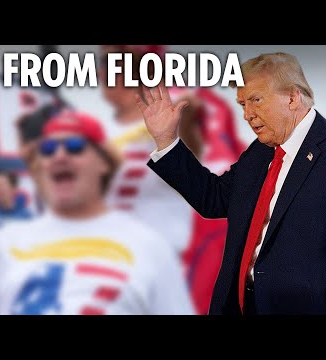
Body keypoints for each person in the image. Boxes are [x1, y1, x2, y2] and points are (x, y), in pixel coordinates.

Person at [0, 110, 194, 315]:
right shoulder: (7, 241)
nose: (59, 155)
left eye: (74, 146)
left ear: (104, 163)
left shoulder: (148, 245)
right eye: (48, 149)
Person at [137, 52, 324, 315]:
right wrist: (167, 141)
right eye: (242, 104)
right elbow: (214, 199)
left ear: (292, 98)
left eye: (256, 100)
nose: (248, 115)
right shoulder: (260, 152)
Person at [99, 45, 244, 314]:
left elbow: (210, 180)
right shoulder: (105, 133)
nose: (102, 74)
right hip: (115, 260)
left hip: (170, 260)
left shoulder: (180, 108)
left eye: (113, 65)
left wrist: (176, 129)